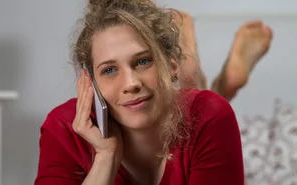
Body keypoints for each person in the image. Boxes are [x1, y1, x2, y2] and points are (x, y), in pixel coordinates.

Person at [34, 0, 250, 184]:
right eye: (109, 70)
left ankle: (195, 70)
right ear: (91, 84)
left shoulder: (210, 114)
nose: (131, 83)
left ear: (172, 65)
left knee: (200, 103)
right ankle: (195, 69)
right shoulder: (64, 128)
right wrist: (106, 158)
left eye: (143, 61)